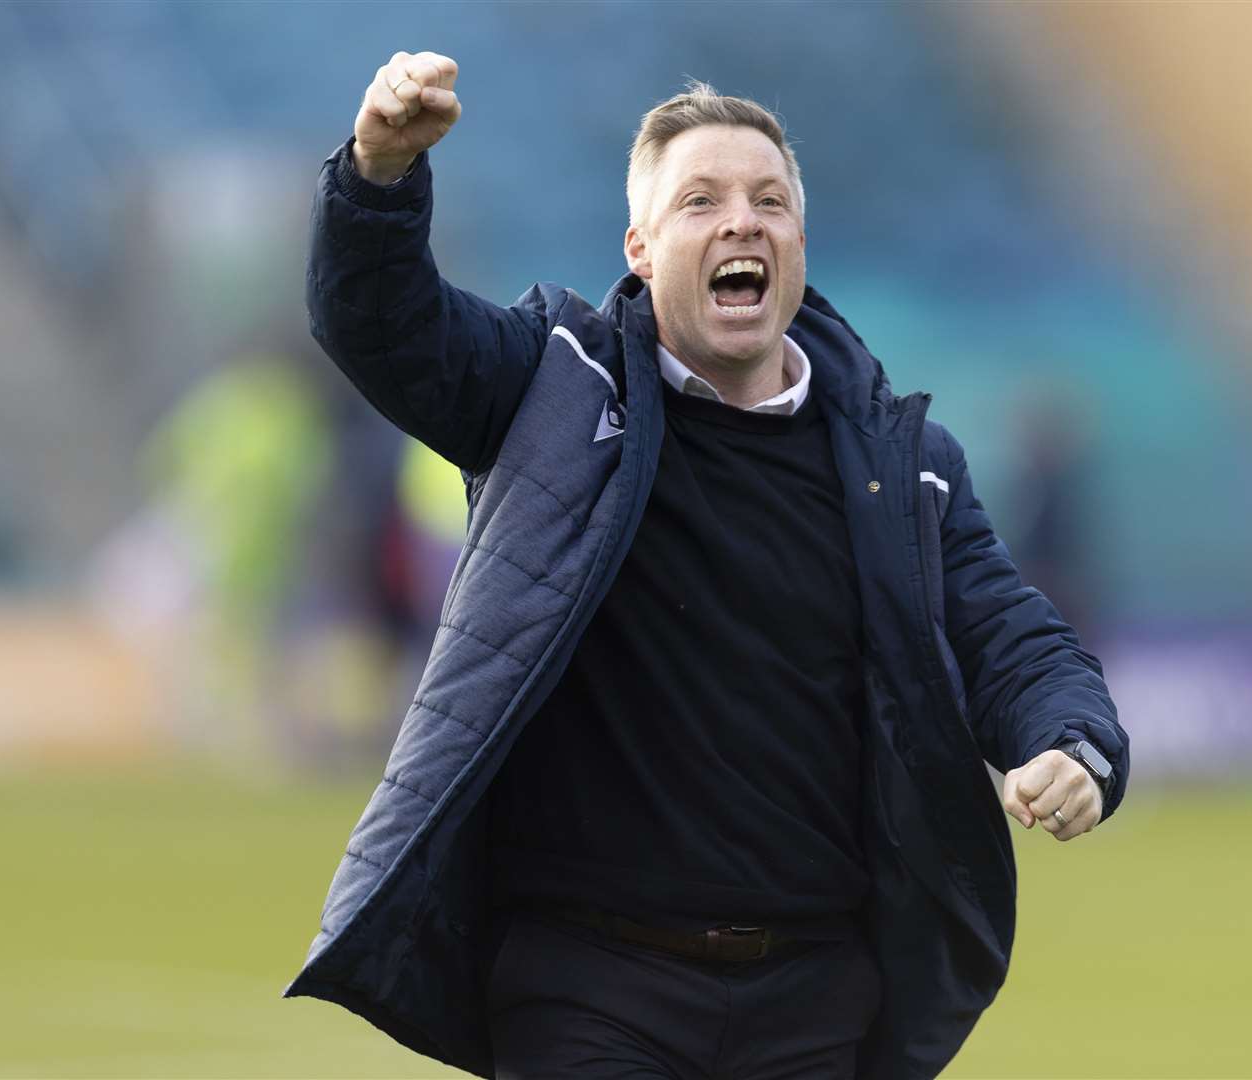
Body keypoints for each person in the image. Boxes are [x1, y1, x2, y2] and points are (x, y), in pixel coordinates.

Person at [285, 50, 1129, 1080]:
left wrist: (1073, 741)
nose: (743, 221)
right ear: (640, 248)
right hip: (589, 988)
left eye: (769, 201)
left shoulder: (902, 469)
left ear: (800, 244)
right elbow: (382, 325)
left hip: (816, 999)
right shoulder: (553, 388)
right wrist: (378, 172)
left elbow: (1009, 634)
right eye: (702, 201)